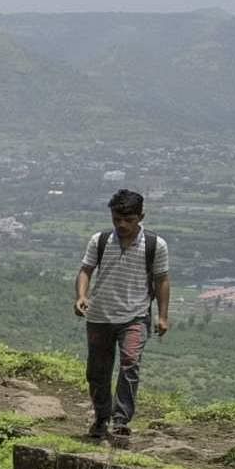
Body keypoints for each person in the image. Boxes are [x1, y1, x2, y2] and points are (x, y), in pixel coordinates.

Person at [77, 189, 172, 442]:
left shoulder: (154, 245)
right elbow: (86, 270)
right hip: (99, 315)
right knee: (97, 371)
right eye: (117, 218)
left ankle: (121, 421)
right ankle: (101, 417)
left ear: (141, 217)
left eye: (128, 220)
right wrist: (82, 296)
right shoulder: (100, 240)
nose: (122, 225)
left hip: (135, 316)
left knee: (130, 363)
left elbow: (162, 280)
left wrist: (163, 316)